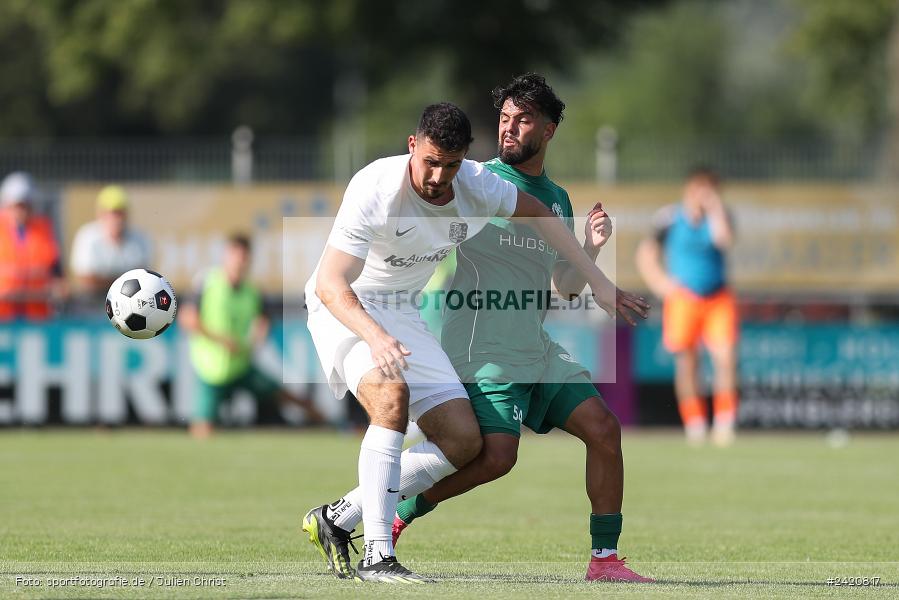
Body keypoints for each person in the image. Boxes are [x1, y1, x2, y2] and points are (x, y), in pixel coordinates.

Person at [316, 75, 654, 583]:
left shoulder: (543, 197)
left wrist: (592, 254)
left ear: (550, 128)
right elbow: (330, 281)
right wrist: (377, 333)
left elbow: (561, 283)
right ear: (415, 147)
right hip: (476, 346)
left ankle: (605, 561)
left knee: (602, 429)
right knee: (489, 453)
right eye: (504, 118)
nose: (510, 128)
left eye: (523, 119)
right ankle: (382, 533)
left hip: (532, 347)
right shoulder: (478, 178)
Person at [180, 233, 324, 439]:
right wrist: (221, 340)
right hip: (211, 370)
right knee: (203, 427)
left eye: (244, 257)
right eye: (235, 255)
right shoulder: (207, 282)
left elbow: (262, 321)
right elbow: (187, 319)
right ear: (225, 256)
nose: (239, 261)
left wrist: (256, 338)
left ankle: (326, 421)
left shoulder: (252, 291)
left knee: (281, 394)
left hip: (241, 364)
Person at [636, 166, 738, 446]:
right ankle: (695, 423)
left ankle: (725, 423)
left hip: (718, 297)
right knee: (687, 362)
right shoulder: (669, 218)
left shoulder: (721, 217)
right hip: (684, 299)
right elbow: (647, 253)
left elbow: (725, 240)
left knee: (725, 358)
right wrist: (661, 284)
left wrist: (715, 209)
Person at [0, 172, 64, 320]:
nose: (21, 211)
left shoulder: (45, 232)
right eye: (17, 205)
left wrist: (56, 290)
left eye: (25, 205)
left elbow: (58, 277)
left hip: (37, 319)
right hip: (3, 318)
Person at [70, 185, 152, 298]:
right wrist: (124, 282)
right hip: (93, 302)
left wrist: (105, 280)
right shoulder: (88, 237)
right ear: (100, 214)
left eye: (120, 213)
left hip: (129, 300)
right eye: (112, 213)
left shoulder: (140, 239)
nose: (116, 219)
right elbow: (87, 280)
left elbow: (143, 278)